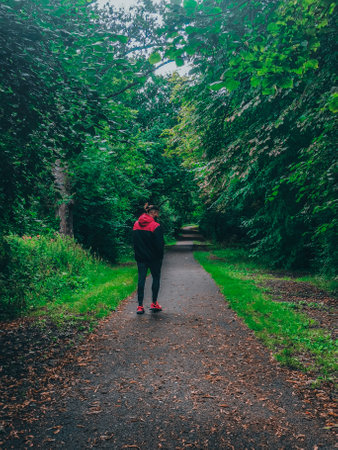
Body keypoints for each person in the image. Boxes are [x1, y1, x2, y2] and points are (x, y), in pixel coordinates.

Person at [133, 203, 164, 314]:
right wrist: (160, 257)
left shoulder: (136, 224)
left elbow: (135, 242)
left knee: (141, 280)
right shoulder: (156, 226)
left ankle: (140, 306)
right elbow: (160, 245)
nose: (157, 215)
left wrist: (138, 255)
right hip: (154, 259)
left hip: (140, 258)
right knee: (155, 278)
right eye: (157, 213)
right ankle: (154, 303)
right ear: (154, 213)